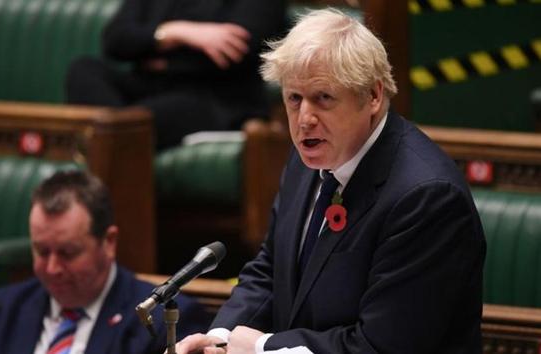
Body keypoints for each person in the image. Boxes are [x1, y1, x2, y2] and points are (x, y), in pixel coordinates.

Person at [175, 8, 486, 354]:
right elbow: (270, 271)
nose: (305, 119)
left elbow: (380, 347)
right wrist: (219, 340)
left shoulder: (427, 198)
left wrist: (261, 347)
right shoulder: (308, 158)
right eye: (294, 98)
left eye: (323, 98)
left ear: (373, 96)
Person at [0, 170, 211, 354]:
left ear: (109, 242)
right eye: (41, 251)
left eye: (68, 253)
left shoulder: (163, 322)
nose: (52, 269)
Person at [65, 0, 286, 151]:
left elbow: (237, 52)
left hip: (215, 96)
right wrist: (177, 32)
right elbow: (115, 40)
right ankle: (119, 136)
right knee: (83, 71)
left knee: (137, 120)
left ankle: (113, 148)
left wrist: (159, 56)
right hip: (147, 89)